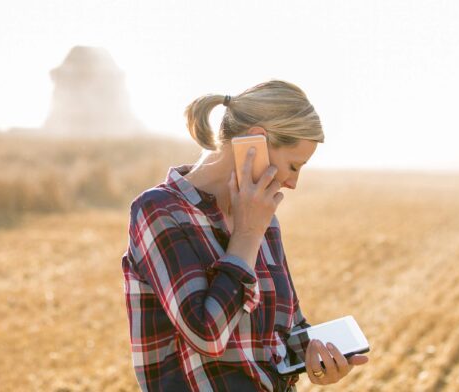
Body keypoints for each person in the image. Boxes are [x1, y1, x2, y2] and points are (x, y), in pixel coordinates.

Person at [121, 80, 369, 391]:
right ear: (256, 141)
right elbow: (206, 336)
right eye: (293, 166)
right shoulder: (160, 211)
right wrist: (248, 234)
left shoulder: (264, 216)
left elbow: (286, 328)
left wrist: (314, 356)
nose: (293, 183)